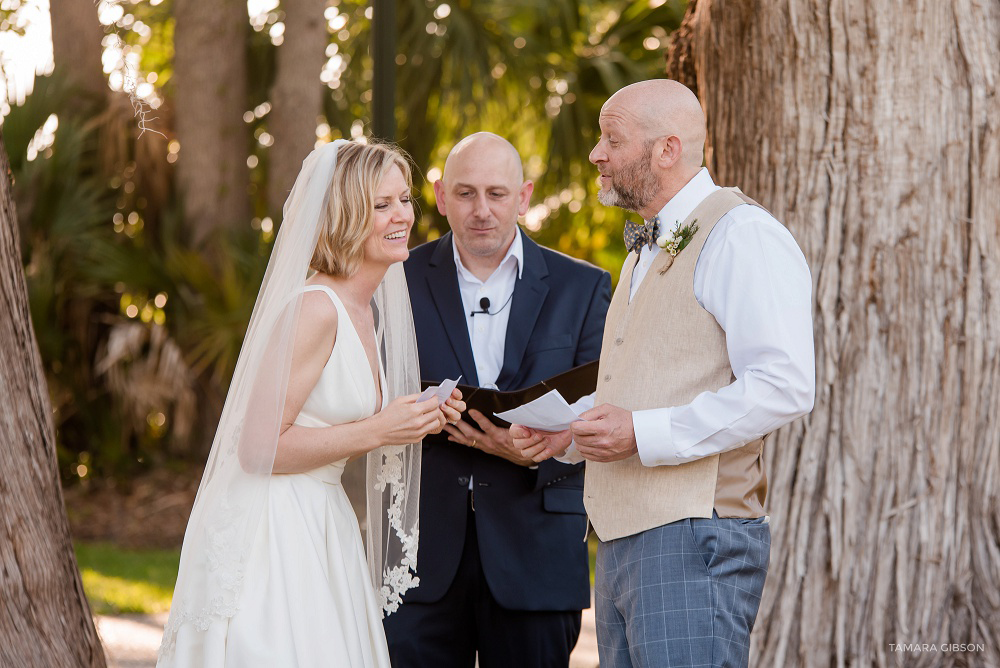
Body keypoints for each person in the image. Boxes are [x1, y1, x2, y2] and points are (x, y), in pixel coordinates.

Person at [514, 79, 816, 668]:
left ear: (667, 149)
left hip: (694, 539)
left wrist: (642, 434)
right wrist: (571, 438)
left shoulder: (741, 234)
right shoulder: (640, 252)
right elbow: (650, 385)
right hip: (623, 543)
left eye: (612, 138)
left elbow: (784, 385)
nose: (596, 153)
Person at [157, 140, 464, 667]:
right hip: (274, 530)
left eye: (405, 200)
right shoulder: (315, 310)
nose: (402, 216)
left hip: (324, 519)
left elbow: (338, 418)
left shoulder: (366, 308)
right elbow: (257, 449)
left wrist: (418, 416)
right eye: (381, 205)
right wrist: (382, 430)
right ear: (346, 215)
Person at [382, 132, 612, 668]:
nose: (481, 210)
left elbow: (603, 408)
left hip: (537, 552)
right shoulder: (395, 281)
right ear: (439, 197)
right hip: (419, 560)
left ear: (524, 196)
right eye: (464, 194)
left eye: (497, 193)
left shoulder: (584, 288)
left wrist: (546, 450)